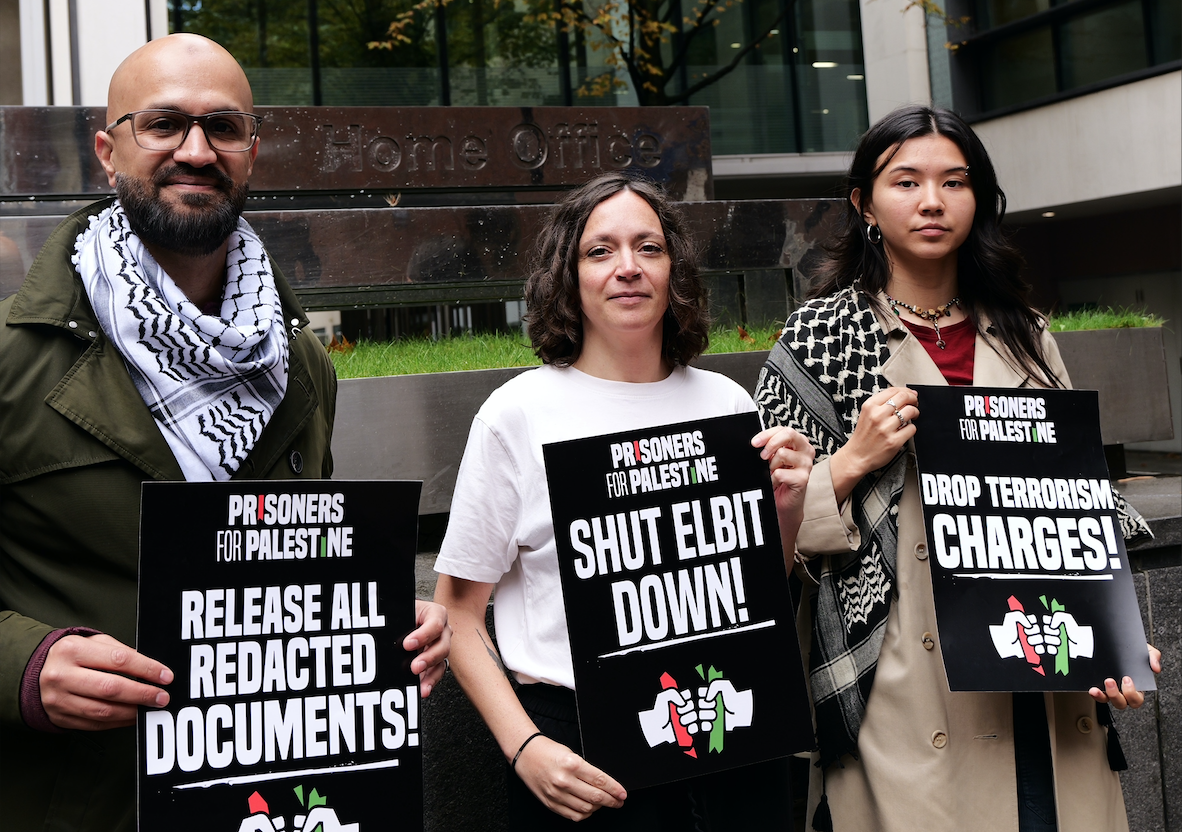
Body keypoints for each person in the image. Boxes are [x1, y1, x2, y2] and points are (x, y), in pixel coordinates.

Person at [0, 34, 449, 832]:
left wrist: (382, 624)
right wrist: (22, 669)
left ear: (252, 153)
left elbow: (293, 567)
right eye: (163, 124)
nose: (197, 151)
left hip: (265, 804)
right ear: (108, 153)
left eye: (223, 127)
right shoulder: (12, 357)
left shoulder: (301, 365)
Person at [754, 105, 1162, 832]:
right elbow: (759, 529)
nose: (933, 201)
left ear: (979, 198)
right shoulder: (819, 337)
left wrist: (1116, 639)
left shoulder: (1025, 333)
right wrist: (853, 459)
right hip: (908, 685)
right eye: (906, 181)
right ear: (865, 204)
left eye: (955, 181)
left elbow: (1078, 508)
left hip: (1040, 664)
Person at [433, 172, 814, 829]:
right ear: (568, 276)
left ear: (674, 272)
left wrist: (786, 508)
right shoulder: (517, 415)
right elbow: (458, 614)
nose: (628, 267)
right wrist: (525, 748)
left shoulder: (727, 404)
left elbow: (756, 588)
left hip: (732, 730)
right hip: (580, 750)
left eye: (649, 247)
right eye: (600, 250)